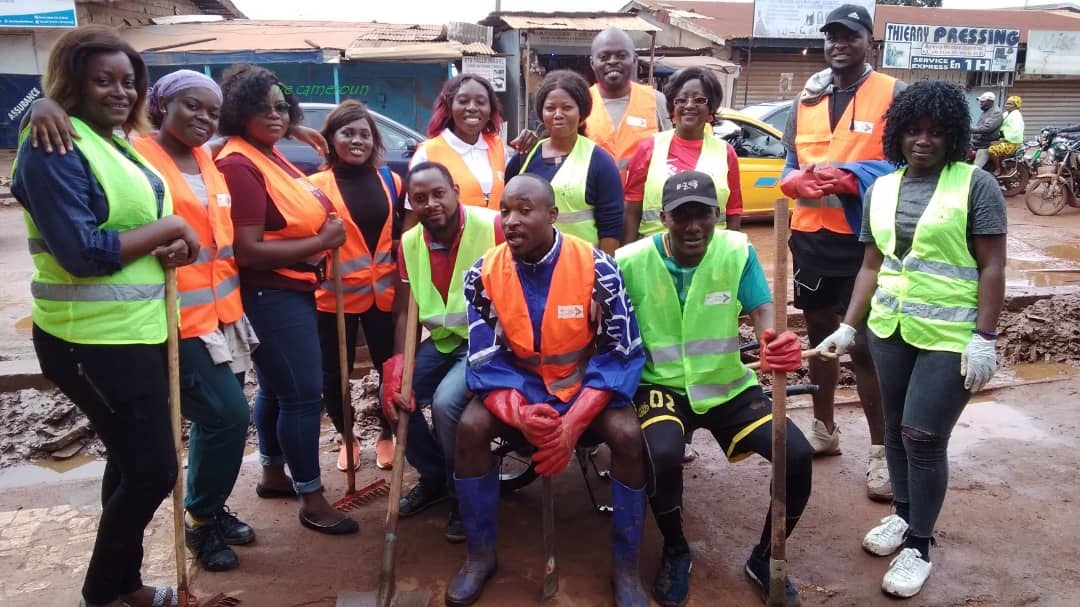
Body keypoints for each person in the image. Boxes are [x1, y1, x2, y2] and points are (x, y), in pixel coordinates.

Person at [23, 70, 261, 572]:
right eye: (191, 106)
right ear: (160, 105)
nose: (203, 118)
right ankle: (199, 520)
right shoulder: (136, 152)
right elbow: (107, 225)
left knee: (204, 426)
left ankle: (204, 511)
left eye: (211, 111)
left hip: (219, 313)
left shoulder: (206, 158)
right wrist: (39, 106)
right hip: (166, 317)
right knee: (225, 416)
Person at [11, 25, 201, 607]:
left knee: (130, 461)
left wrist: (175, 244)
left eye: (129, 81)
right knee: (152, 470)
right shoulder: (53, 145)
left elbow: (131, 229)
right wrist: (170, 229)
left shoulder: (112, 142)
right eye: (103, 80)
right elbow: (84, 252)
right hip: (87, 342)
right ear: (73, 83)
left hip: (134, 334)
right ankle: (102, 594)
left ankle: (128, 587)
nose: (121, 91)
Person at [817, 80, 1006, 598]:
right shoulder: (882, 188)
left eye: (936, 132)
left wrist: (984, 336)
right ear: (897, 133)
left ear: (953, 137)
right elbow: (872, 265)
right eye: (913, 131)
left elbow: (993, 266)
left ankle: (920, 545)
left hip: (952, 334)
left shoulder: (975, 186)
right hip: (890, 330)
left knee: (924, 437)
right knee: (898, 430)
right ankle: (903, 516)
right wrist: (848, 326)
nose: (923, 141)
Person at [446, 174, 649, 607]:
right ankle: (479, 556)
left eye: (525, 210)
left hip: (586, 385)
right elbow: (484, 358)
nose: (512, 221)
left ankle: (626, 568)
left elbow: (623, 352)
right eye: (505, 211)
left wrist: (574, 422)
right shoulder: (482, 274)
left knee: (630, 437)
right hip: (518, 385)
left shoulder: (598, 267)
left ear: (553, 215)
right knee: (469, 428)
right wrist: (518, 411)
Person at [616, 171, 813, 607]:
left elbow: (764, 309)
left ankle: (765, 557)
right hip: (660, 385)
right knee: (661, 453)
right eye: (681, 216)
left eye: (702, 215)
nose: (693, 227)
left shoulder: (735, 250)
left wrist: (772, 337)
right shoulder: (629, 261)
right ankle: (675, 546)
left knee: (796, 455)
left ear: (717, 215)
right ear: (663, 217)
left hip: (726, 385)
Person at [215, 64, 357, 534]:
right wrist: (322, 242)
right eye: (262, 108)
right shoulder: (239, 164)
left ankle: (274, 474)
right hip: (270, 294)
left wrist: (287, 125)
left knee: (276, 389)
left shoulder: (266, 152)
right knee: (302, 396)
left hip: (290, 289)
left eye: (281, 107)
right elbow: (249, 249)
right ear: (238, 111)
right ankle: (312, 499)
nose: (274, 115)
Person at [780, 3, 902, 501]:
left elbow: (907, 164)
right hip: (811, 237)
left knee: (867, 347)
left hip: (865, 241)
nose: (838, 44)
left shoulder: (892, 94)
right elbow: (790, 161)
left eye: (849, 36)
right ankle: (825, 429)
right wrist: (793, 180)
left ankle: (881, 454)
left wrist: (854, 180)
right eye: (831, 36)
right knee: (820, 336)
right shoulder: (807, 100)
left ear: (867, 42)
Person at [380, 161, 504, 544]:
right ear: (412, 205)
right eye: (420, 198)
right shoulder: (411, 244)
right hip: (446, 341)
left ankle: (462, 496)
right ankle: (435, 475)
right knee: (398, 398)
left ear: (455, 190)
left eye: (438, 194)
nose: (431, 203)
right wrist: (401, 364)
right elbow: (405, 311)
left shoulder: (494, 226)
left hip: (489, 341)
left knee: (449, 404)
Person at [310, 100, 401, 472]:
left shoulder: (391, 181)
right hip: (335, 299)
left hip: (384, 295)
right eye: (348, 133)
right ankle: (347, 437)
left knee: (389, 369)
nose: (357, 140)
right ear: (331, 139)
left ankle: (386, 433)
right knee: (335, 374)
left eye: (365, 134)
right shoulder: (314, 187)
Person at [505, 69, 624, 254]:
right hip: (529, 266)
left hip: (581, 266)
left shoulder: (599, 162)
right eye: (550, 108)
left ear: (581, 112)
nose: (558, 114)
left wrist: (601, 272)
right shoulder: (523, 159)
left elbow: (611, 227)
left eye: (567, 107)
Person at [624, 65, 744, 242]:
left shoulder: (725, 153)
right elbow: (632, 212)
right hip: (657, 254)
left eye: (699, 100)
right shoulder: (649, 148)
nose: (689, 105)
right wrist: (627, 259)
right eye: (681, 100)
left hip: (711, 254)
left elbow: (733, 212)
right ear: (672, 108)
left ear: (711, 109)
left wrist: (734, 255)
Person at [406, 74, 534, 214]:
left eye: (480, 102)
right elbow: (413, 214)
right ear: (450, 106)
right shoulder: (428, 152)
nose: (472, 107)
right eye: (463, 101)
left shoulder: (497, 146)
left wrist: (528, 149)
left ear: (490, 109)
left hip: (496, 235)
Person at [584, 27, 672, 180]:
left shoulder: (656, 101)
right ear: (592, 63)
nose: (612, 61)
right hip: (594, 199)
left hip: (644, 200)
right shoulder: (581, 102)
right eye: (604, 57)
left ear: (634, 59)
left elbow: (671, 153)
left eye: (621, 55)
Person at [987, 95, 1025, 175]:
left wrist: (1001, 140)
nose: (1006, 105)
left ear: (1016, 105)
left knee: (992, 150)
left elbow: (1015, 132)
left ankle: (998, 169)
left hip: (1012, 142)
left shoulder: (1016, 116)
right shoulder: (1006, 113)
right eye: (1006, 103)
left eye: (1009, 104)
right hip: (1005, 139)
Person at [970, 92, 1004, 171]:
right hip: (977, 143)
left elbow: (987, 128)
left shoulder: (996, 113)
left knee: (975, 168)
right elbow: (979, 127)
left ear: (990, 101)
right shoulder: (985, 112)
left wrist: (969, 129)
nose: (980, 103)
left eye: (982, 102)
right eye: (980, 101)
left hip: (985, 145)